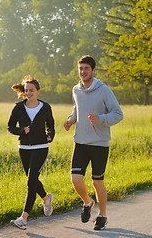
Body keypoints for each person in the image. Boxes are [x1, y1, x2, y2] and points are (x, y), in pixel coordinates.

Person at [64, 55, 123, 230]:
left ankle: (102, 215)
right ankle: (88, 202)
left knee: (97, 181)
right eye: (80, 68)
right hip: (80, 142)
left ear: (93, 70)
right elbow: (77, 110)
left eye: (86, 68)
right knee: (75, 179)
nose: (83, 72)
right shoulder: (76, 89)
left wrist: (101, 119)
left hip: (99, 143)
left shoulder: (104, 90)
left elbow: (118, 114)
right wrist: (70, 120)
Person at [7, 75, 55, 230]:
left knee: (30, 181)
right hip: (24, 148)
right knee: (32, 179)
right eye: (26, 90)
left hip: (40, 147)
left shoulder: (45, 107)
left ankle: (23, 219)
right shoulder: (19, 107)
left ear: (38, 91)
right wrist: (22, 130)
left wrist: (50, 135)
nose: (28, 93)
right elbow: (10, 127)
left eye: (31, 90)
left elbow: (51, 126)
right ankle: (47, 199)